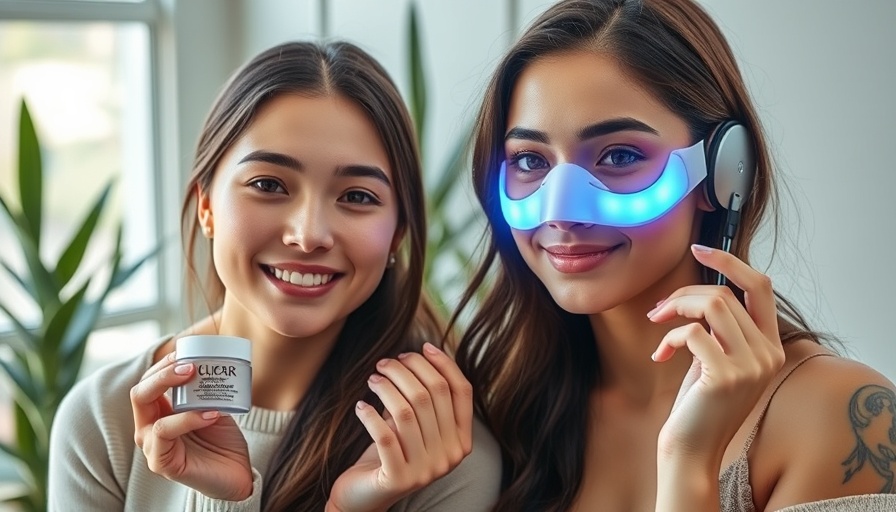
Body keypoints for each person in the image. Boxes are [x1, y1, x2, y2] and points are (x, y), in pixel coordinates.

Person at [449, 0, 896, 510]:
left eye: (619, 156)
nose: (562, 213)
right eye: (530, 160)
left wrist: (691, 461)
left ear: (724, 170)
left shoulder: (842, 418)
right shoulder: (502, 413)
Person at [48, 41, 501, 512]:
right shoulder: (102, 422)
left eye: (357, 196)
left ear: (398, 234)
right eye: (268, 185)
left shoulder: (444, 456)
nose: (309, 235)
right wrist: (221, 499)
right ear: (206, 206)